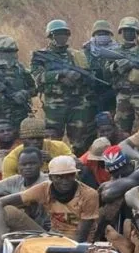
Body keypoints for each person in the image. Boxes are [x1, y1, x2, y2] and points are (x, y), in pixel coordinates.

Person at [0, 155, 98, 241]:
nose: (65, 181)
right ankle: (3, 250)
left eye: (69, 176)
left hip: (77, 241)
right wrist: (3, 238)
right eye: (59, 177)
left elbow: (82, 236)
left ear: (75, 175)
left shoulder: (89, 194)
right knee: (8, 211)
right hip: (52, 235)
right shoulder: (44, 188)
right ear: (50, 177)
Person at [30, 19, 94, 154]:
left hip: (77, 104)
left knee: (79, 141)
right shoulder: (41, 56)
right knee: (52, 140)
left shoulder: (76, 55)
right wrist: (60, 75)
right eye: (58, 34)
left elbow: (88, 76)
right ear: (50, 36)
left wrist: (78, 77)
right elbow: (38, 77)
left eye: (64, 34)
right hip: (54, 105)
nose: (62, 37)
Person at [0, 147, 50, 229]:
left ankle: (4, 239)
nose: (27, 167)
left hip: (41, 229)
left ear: (41, 164)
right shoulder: (16, 180)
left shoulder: (47, 182)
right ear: (18, 166)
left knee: (9, 211)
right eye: (23, 164)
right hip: (20, 225)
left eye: (32, 164)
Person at [1, 117, 72, 178]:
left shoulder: (60, 147)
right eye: (31, 139)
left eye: (39, 138)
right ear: (22, 139)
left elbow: (75, 168)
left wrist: (53, 161)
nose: (35, 142)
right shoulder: (12, 158)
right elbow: (7, 186)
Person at [0, 35, 34, 129]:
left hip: (19, 116)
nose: (9, 55)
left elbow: (34, 88)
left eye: (12, 51)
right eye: (5, 52)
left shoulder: (21, 69)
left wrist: (25, 94)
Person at [82, 20, 119, 114]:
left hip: (113, 91)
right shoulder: (86, 51)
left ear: (110, 35)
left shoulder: (118, 50)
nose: (103, 36)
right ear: (94, 35)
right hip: (92, 93)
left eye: (105, 33)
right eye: (99, 33)